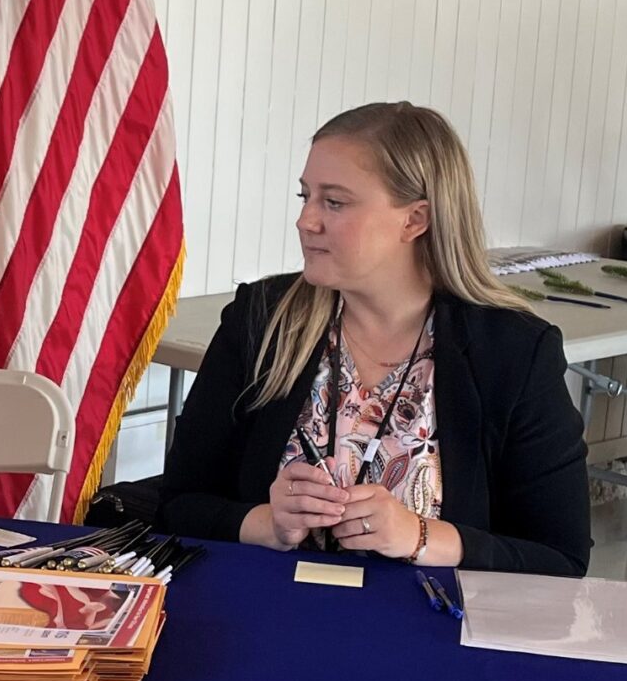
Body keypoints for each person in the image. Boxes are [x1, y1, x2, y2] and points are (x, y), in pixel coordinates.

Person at [159, 103, 591, 575]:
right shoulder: (263, 320)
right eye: (305, 196)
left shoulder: (512, 351)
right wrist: (264, 523)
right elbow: (177, 503)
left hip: (429, 630)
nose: (306, 220)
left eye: (335, 202)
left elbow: (560, 559)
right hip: (272, 614)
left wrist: (421, 537)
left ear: (414, 220)